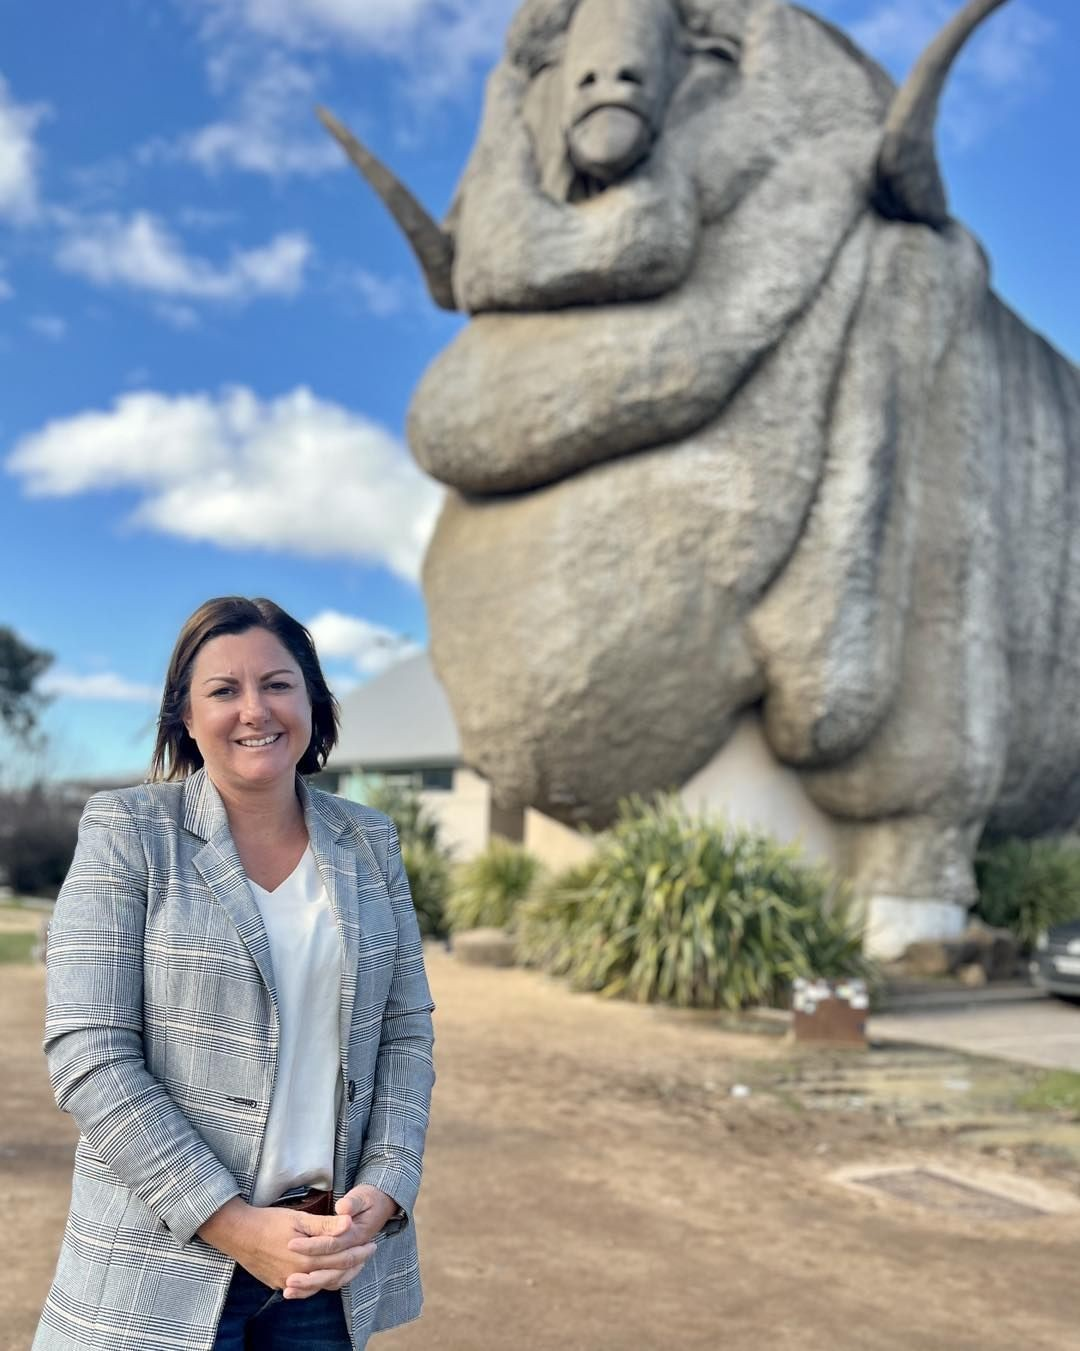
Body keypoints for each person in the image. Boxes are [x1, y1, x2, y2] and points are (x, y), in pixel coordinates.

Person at [33, 596, 436, 1351]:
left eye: (278, 683)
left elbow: (406, 1030)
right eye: (223, 690)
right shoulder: (129, 831)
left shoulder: (370, 840)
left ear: (313, 698)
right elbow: (90, 1054)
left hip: (320, 1265)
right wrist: (233, 1223)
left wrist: (386, 1185)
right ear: (185, 716)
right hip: (161, 1257)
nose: (256, 709)